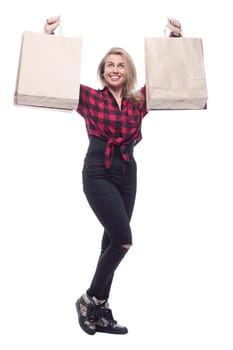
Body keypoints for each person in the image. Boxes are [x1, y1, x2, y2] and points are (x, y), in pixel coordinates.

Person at [44, 16, 182, 336]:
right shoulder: (90, 99)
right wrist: (50, 39)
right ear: (102, 71)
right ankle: (89, 299)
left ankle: (101, 310)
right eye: (109, 65)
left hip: (128, 172)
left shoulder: (139, 101)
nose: (115, 69)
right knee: (123, 240)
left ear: (128, 70)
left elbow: (167, 76)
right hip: (98, 172)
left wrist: (175, 39)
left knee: (110, 241)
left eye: (120, 64)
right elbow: (56, 77)